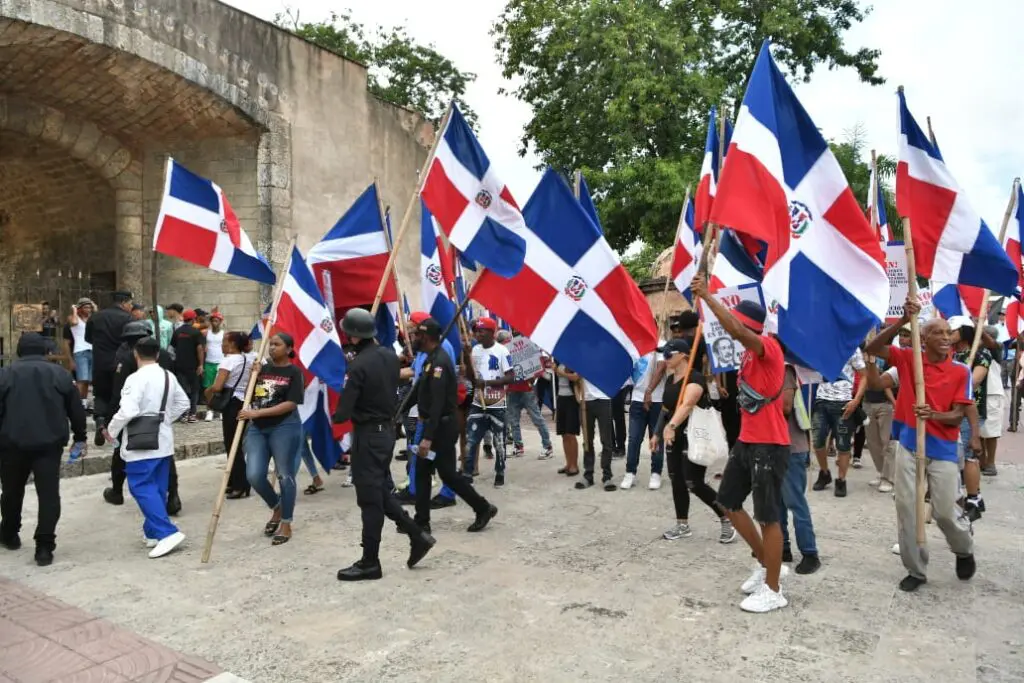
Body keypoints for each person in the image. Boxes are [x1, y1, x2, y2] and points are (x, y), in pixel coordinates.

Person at [692, 275, 790, 613]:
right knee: (729, 503)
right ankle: (768, 564)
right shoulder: (746, 357)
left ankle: (774, 590)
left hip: (770, 445)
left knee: (768, 517)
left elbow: (736, 331)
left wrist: (707, 297)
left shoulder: (768, 349)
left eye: (740, 328)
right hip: (747, 442)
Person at [865, 298, 976, 592]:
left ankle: (963, 548)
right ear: (923, 339)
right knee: (905, 506)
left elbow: (958, 414)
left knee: (942, 511)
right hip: (909, 444)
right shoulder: (909, 359)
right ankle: (915, 568)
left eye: (947, 333)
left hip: (943, 448)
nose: (945, 337)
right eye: (937, 333)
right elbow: (873, 349)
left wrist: (935, 414)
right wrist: (902, 320)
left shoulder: (960, 371)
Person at [333, 309, 436, 581]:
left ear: (353, 336)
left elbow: (343, 412)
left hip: (368, 434)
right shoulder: (389, 357)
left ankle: (370, 561)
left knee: (369, 500)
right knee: (377, 490)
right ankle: (417, 535)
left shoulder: (358, 365)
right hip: (386, 432)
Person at [0, 333, 87, 566]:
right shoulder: (59, 374)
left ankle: (9, 533)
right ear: (45, 351)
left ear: (19, 351)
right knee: (48, 495)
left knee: (11, 491)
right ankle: (44, 546)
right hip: (49, 445)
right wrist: (80, 437)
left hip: (11, 444)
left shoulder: (5, 374)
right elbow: (76, 410)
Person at [104, 336, 190, 559]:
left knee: (140, 485)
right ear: (158, 355)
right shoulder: (168, 375)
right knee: (158, 487)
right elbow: (184, 403)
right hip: (163, 438)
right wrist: (163, 419)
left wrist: (111, 431)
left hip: (140, 439)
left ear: (136, 354)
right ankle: (152, 532)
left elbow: (128, 411)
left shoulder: (135, 378)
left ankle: (166, 532)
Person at [411, 317, 498, 535]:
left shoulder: (439, 362)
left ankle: (481, 508)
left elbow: (438, 403)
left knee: (439, 473)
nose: (413, 338)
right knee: (435, 473)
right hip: (436, 426)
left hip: (441, 427)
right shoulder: (430, 358)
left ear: (426, 337)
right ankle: (424, 521)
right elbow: (420, 389)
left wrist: (428, 437)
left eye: (417, 335)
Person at [651, 338, 735, 543]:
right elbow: (666, 409)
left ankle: (727, 518)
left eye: (669, 355)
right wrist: (656, 432)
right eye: (664, 354)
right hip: (673, 438)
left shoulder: (695, 379)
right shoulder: (671, 379)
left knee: (694, 482)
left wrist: (671, 427)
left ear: (683, 355)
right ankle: (682, 524)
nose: (665, 359)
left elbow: (687, 405)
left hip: (693, 436)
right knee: (676, 480)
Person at [102, 321, 181, 513]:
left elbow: (117, 393)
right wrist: (167, 417)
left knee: (121, 453)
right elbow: (180, 397)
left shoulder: (127, 359)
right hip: (161, 415)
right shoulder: (165, 357)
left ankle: (117, 490)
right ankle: (173, 496)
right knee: (165, 458)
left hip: (133, 417)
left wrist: (109, 424)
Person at [240, 333, 305, 546]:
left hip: (284, 427)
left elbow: (291, 403)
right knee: (254, 475)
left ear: (288, 349)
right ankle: (277, 506)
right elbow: (253, 396)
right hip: (258, 429)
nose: (272, 348)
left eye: (277, 344)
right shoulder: (263, 369)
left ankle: (286, 522)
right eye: (270, 344)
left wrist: (258, 414)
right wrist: (253, 376)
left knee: (285, 475)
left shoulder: (294, 372)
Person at [779, 365, 821, 574]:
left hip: (791, 447)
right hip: (773, 445)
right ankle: (782, 547)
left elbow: (786, 407)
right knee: (775, 502)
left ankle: (809, 552)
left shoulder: (784, 371)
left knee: (795, 502)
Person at [204, 331, 256, 498]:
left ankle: (240, 485)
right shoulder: (247, 359)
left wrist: (208, 390)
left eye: (225, 342)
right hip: (244, 401)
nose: (222, 345)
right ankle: (235, 481)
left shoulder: (228, 361)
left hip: (231, 404)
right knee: (237, 444)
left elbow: (218, 387)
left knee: (232, 445)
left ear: (233, 344)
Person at [464, 318, 515, 487]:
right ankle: (467, 473)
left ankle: (500, 471)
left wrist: (487, 383)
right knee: (471, 439)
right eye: (476, 331)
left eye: (481, 331)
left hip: (497, 404)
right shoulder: (475, 350)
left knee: (499, 442)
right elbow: (471, 377)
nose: (477, 334)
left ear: (491, 333)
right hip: (478, 403)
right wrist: (466, 356)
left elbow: (510, 376)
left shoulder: (502, 351)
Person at [811, 349, 866, 497]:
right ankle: (824, 473)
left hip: (843, 402)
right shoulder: (823, 344)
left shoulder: (852, 348)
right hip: (821, 400)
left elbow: (865, 375)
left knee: (843, 443)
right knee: (817, 441)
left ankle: (841, 480)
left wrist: (856, 400)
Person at [86, 291, 133, 445]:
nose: (131, 307)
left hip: (100, 362)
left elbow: (88, 338)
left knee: (100, 394)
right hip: (120, 362)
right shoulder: (127, 318)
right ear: (125, 302)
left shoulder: (96, 317)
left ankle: (100, 421)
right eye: (130, 304)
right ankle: (113, 429)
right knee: (118, 395)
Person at [622, 341, 666, 490]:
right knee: (634, 438)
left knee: (656, 437)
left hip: (657, 400)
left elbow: (661, 369)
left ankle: (655, 473)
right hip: (636, 400)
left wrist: (649, 391)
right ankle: (630, 472)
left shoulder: (661, 345)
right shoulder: (634, 346)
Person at [862, 351, 897, 493]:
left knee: (887, 442)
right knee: (872, 441)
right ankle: (881, 472)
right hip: (868, 403)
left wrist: (895, 403)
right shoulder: (863, 360)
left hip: (885, 404)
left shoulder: (888, 360)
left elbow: (885, 383)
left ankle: (888, 478)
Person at [171, 309, 206, 423]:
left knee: (182, 389)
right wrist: (201, 365)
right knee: (195, 389)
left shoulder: (177, 332)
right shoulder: (196, 332)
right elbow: (200, 349)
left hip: (180, 365)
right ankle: (192, 414)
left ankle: (184, 414)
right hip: (193, 366)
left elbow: (173, 348)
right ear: (193, 319)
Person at [553, 362, 581, 477]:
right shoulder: (557, 361)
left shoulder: (572, 360)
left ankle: (574, 465)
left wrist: (559, 372)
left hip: (572, 399)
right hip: (561, 398)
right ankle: (568, 463)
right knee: (563, 434)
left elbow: (576, 377)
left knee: (571, 433)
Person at [65, 299, 95, 409]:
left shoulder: (91, 319)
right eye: (85, 307)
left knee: (88, 380)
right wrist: (74, 310)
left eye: (89, 307)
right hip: (80, 351)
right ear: (80, 308)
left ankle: (84, 403)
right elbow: (74, 323)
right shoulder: (73, 318)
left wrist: (94, 307)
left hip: (92, 349)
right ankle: (75, 403)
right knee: (81, 379)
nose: (88, 309)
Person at [203, 312, 226, 421]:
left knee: (220, 387)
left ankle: (221, 410)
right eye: (213, 320)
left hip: (221, 362)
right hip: (209, 362)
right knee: (209, 387)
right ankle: (209, 410)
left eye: (217, 320)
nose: (214, 322)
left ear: (220, 322)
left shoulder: (224, 333)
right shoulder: (206, 333)